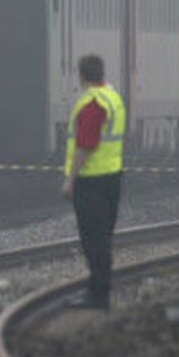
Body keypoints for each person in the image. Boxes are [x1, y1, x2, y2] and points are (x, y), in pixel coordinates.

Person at [61, 54, 125, 310]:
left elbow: (86, 145)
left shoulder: (92, 104)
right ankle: (99, 291)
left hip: (91, 182)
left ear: (81, 76)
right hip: (112, 178)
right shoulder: (113, 98)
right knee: (103, 239)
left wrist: (70, 180)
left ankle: (98, 296)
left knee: (93, 240)